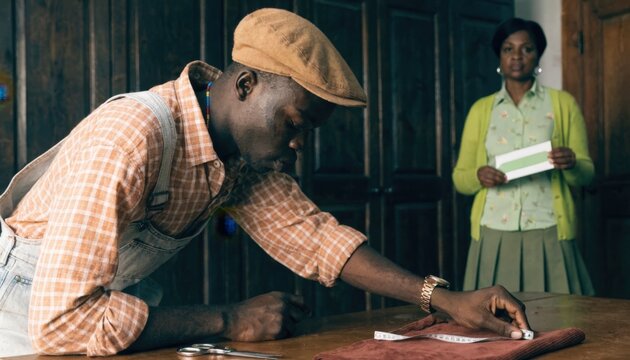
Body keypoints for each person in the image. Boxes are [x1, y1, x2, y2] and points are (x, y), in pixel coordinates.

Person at [0, 9, 530, 357]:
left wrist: (443, 299)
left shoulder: (240, 157)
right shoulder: (134, 136)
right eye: (295, 125)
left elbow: (316, 238)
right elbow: (61, 319)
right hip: (25, 326)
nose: (299, 145)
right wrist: (229, 318)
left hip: (98, 322)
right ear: (247, 85)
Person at [453, 18, 595, 296]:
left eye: (526, 49)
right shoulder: (481, 110)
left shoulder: (563, 104)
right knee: (493, 324)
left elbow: (587, 174)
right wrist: (477, 176)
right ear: (499, 56)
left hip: (548, 229)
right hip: (494, 230)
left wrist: (573, 163)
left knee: (560, 318)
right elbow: (460, 178)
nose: (517, 56)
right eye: (508, 49)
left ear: (537, 55)